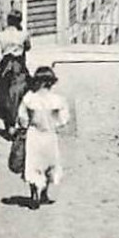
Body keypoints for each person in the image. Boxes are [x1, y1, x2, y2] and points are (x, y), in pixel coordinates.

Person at [16, 66, 70, 210]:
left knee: (33, 164)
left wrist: (24, 125)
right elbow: (64, 119)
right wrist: (55, 123)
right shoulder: (57, 100)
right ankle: (44, 193)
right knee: (49, 164)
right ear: (51, 83)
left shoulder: (30, 98)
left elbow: (22, 118)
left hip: (33, 135)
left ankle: (34, 193)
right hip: (49, 135)